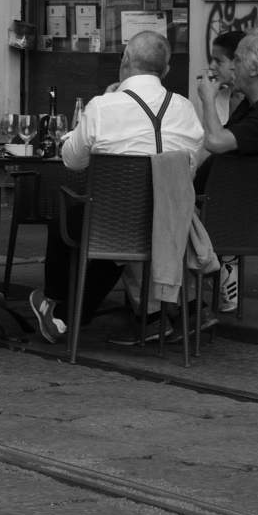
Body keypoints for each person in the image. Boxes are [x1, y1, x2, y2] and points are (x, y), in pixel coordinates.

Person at [30, 30, 204, 347]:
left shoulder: (103, 107)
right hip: (170, 222)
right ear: (165, 71)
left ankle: (56, 303)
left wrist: (76, 134)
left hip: (113, 225)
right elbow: (191, 162)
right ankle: (148, 316)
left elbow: (71, 161)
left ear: (123, 62)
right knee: (109, 238)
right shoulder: (185, 108)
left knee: (67, 217)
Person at [194, 27, 258, 313]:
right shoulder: (256, 105)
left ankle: (176, 307)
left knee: (152, 215)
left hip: (229, 209)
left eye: (237, 60)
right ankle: (177, 305)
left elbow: (216, 141)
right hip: (216, 200)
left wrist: (206, 98)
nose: (232, 66)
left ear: (254, 68)